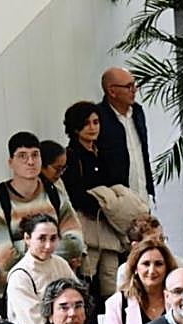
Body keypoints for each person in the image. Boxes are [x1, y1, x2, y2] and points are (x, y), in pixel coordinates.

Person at [0, 131, 84, 296]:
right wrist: (55, 250)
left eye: (35, 155)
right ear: (11, 162)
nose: (30, 162)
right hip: (15, 291)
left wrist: (22, 245)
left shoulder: (54, 194)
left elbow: (75, 243)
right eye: (22, 156)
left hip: (57, 291)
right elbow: (6, 260)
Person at [60, 100, 124, 295]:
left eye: (96, 122)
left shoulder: (102, 152)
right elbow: (76, 195)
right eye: (87, 123)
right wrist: (103, 204)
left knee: (112, 280)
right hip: (89, 226)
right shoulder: (72, 157)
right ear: (75, 127)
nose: (93, 127)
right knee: (88, 279)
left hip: (109, 226)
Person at [102, 238, 176, 324]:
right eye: (146, 264)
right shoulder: (117, 303)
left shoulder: (177, 298)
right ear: (135, 268)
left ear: (167, 268)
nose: (152, 270)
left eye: (158, 264)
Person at [6, 214, 78, 324]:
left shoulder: (60, 264)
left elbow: (78, 297)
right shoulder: (19, 276)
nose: (48, 245)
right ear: (27, 238)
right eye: (42, 239)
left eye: (53, 238)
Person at [97, 67, 154, 203]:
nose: (134, 90)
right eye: (129, 86)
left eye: (134, 85)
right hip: (118, 202)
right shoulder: (98, 118)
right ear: (112, 91)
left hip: (142, 195)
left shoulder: (138, 112)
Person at [113, 214, 183, 294]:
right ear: (135, 246)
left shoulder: (179, 266)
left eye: (162, 239)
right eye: (152, 241)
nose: (160, 245)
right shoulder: (124, 271)